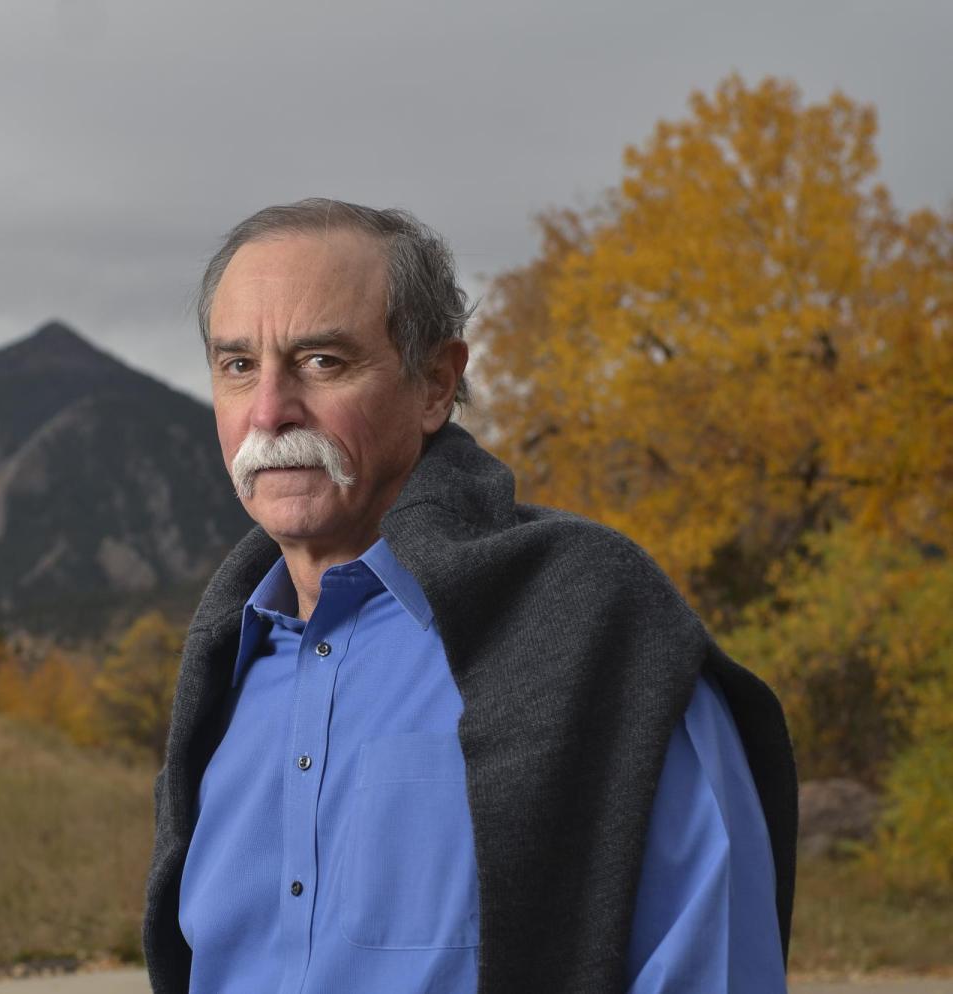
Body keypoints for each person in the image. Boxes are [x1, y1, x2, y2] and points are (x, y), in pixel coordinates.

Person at [142, 199, 797, 994]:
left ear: (435, 384)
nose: (270, 412)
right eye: (238, 365)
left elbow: (713, 969)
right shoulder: (222, 672)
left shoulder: (598, 630)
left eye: (322, 361)